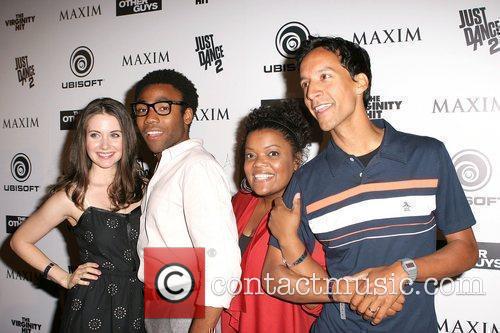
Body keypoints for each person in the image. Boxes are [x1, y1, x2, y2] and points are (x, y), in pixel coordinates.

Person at [262, 36, 479, 332]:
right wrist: (341, 291)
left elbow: (465, 249)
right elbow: (273, 276)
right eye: (305, 84)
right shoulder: (306, 180)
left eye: (324, 76)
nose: (312, 92)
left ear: (360, 82)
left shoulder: (427, 155)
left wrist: (402, 271)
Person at [10, 98, 147, 332]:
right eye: (95, 135)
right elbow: (19, 241)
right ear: (83, 140)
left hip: (141, 302)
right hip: (93, 305)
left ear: (127, 138)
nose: (105, 145)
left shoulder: (144, 186)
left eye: (114, 134)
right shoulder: (72, 196)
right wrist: (63, 278)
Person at [133, 69, 241, 333]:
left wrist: (201, 329)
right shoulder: (168, 166)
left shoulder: (196, 167)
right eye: (142, 109)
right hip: (162, 299)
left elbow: (221, 258)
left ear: (187, 115)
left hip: (186, 304)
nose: (150, 118)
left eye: (163, 107)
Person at [221, 102, 323, 332]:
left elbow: (321, 297)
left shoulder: (309, 211)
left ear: (296, 160)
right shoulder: (239, 203)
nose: (258, 164)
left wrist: (289, 241)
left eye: (273, 153)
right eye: (250, 155)